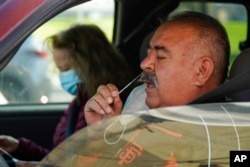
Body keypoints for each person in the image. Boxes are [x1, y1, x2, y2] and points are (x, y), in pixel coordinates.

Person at [0, 24, 134, 162]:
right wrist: (19, 147)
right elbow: (60, 157)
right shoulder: (78, 103)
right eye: (60, 69)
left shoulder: (113, 105)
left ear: (91, 64)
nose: (63, 76)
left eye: (67, 69)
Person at [84, 11, 230, 126]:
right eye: (148, 54)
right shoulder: (139, 98)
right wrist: (104, 132)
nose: (144, 64)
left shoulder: (232, 136)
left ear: (201, 71)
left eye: (160, 56)